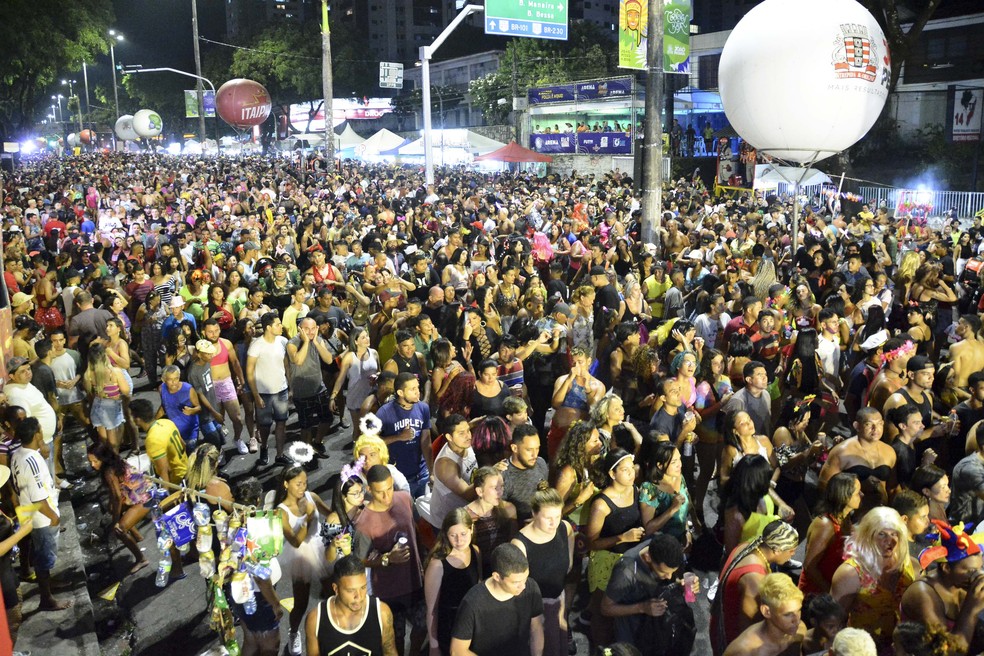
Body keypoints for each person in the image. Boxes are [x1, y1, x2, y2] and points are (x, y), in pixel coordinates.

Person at [354, 464, 426, 656]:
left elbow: (416, 529)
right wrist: (387, 558)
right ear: (369, 490)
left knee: (423, 627)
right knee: (395, 638)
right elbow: (359, 561)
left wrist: (424, 561)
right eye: (380, 492)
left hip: (415, 582)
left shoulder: (404, 498)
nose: (387, 497)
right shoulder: (363, 523)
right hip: (387, 592)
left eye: (389, 489)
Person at [830, 507, 914, 653]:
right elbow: (832, 623)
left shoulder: (909, 564)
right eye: (882, 534)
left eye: (895, 534)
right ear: (868, 535)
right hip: (861, 649)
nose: (890, 541)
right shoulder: (850, 573)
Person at [710, 520, 799, 655]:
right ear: (776, 550)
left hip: (720, 617)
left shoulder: (748, 545)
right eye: (791, 551)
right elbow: (748, 629)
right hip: (731, 636)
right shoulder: (755, 580)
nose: (792, 555)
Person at [584, 449, 644, 647]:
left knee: (624, 611)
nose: (631, 473)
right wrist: (622, 537)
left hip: (630, 559)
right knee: (603, 612)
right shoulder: (601, 504)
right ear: (612, 474)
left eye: (631, 469)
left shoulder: (635, 490)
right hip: (606, 560)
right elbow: (591, 542)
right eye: (625, 470)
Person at [10, 417, 71, 610]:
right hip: (42, 516)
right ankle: (47, 599)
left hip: (29, 513)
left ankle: (48, 586)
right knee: (44, 558)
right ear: (36, 434)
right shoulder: (31, 460)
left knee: (40, 553)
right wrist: (53, 516)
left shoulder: (19, 454)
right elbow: (38, 498)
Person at [602, 533, 696, 656]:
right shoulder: (625, 572)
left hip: (657, 629)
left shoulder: (664, 549)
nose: (669, 576)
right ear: (647, 557)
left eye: (671, 572)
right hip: (633, 634)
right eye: (663, 572)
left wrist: (681, 584)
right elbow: (605, 608)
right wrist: (642, 607)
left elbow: (672, 578)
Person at [900, 521, 984, 650]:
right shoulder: (922, 594)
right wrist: (971, 609)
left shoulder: (962, 584)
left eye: (980, 568)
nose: (977, 576)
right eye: (971, 571)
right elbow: (946, 651)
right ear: (946, 568)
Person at [275, 464, 332, 656]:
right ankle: (293, 633)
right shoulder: (281, 511)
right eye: (298, 484)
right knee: (301, 602)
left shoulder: (311, 497)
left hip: (321, 546)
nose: (303, 487)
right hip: (300, 554)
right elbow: (295, 541)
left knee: (332, 590)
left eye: (305, 483)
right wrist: (308, 518)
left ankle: (333, 628)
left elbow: (330, 513)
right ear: (286, 484)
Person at [450, 543, 545, 656]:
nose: (523, 586)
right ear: (497, 577)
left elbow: (536, 629)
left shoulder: (531, 588)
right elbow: (457, 650)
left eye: (525, 578)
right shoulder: (473, 603)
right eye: (516, 582)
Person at [511, 489, 575, 656]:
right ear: (534, 513)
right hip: (536, 610)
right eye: (548, 518)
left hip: (558, 600)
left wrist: (570, 557)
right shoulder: (520, 543)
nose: (554, 523)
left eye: (557, 516)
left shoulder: (563, 527)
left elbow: (570, 533)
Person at [305, 554, 399, 656]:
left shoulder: (382, 613)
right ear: (336, 589)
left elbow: (390, 652)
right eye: (351, 590)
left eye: (363, 588)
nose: (359, 596)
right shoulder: (315, 620)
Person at [86, 440, 152, 574]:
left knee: (120, 530)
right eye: (90, 462)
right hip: (138, 494)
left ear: (103, 459)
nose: (93, 465)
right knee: (112, 508)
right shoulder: (115, 463)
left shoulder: (109, 472)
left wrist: (115, 522)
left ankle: (141, 559)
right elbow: (114, 496)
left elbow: (116, 497)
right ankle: (137, 536)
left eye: (95, 461)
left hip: (144, 498)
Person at [423, 508, 480, 656]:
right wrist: (434, 646)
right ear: (446, 535)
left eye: (463, 534)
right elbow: (431, 610)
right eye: (453, 535)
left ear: (471, 529)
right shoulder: (437, 564)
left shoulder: (475, 551)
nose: (459, 540)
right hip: (448, 626)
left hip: (471, 624)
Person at [819, 408, 897, 516]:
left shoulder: (889, 451)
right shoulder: (841, 452)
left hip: (879, 512)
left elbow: (892, 487)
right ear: (857, 426)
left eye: (879, 424)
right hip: (851, 513)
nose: (876, 429)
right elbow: (824, 485)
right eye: (869, 424)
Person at [798, 473, 861, 596]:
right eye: (858, 493)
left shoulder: (845, 518)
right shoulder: (825, 525)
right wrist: (831, 593)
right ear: (845, 497)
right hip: (816, 595)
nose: (862, 495)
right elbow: (810, 567)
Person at [376, 373, 432, 499]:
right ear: (400, 392)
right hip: (399, 478)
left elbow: (426, 442)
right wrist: (399, 437)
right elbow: (370, 442)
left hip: (422, 473)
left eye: (418, 387)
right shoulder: (384, 412)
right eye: (413, 389)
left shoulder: (423, 408)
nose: (418, 392)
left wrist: (431, 470)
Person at [287, 317, 336, 459]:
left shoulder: (318, 340)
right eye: (306, 329)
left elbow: (328, 359)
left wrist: (315, 341)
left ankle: (317, 442)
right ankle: (306, 451)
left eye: (313, 328)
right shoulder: (292, 343)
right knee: (306, 426)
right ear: (300, 329)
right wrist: (307, 342)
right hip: (302, 393)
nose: (310, 331)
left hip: (319, 389)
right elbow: (298, 360)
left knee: (327, 418)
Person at [722, 573, 805, 656]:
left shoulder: (800, 631)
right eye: (787, 614)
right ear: (766, 611)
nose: (797, 620)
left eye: (799, 610)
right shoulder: (743, 651)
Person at [246, 312, 291, 466]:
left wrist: (290, 386)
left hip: (281, 390)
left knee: (281, 423)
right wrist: (256, 395)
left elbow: (286, 365)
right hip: (263, 393)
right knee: (265, 426)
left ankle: (279, 454)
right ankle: (264, 447)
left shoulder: (283, 341)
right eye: (278, 324)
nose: (281, 326)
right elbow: (249, 372)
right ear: (268, 327)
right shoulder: (256, 346)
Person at [201, 318, 251, 455]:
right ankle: (220, 449)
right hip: (211, 388)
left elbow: (235, 363)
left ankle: (238, 439)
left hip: (226, 383)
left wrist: (241, 381)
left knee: (237, 418)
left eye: (216, 330)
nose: (214, 334)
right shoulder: (200, 349)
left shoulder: (226, 343)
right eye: (210, 332)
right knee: (217, 422)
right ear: (204, 332)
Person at [426, 414, 477, 530]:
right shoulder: (446, 465)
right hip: (447, 522)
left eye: (468, 431)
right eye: (461, 433)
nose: (468, 436)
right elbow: (467, 494)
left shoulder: (463, 444)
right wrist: (489, 474)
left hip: (464, 513)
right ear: (449, 437)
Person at [131, 397, 188, 485]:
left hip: (176, 479)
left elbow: (163, 471)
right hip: (185, 468)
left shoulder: (152, 439)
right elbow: (183, 444)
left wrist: (166, 493)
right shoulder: (166, 422)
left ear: (138, 419)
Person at [501, 425, 550, 524]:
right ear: (514, 448)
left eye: (537, 448)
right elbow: (499, 515)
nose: (535, 455)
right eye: (529, 450)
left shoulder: (541, 463)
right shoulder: (503, 476)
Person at [721, 362, 772, 437]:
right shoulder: (738, 400)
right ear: (749, 379)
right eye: (760, 375)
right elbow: (731, 430)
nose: (765, 378)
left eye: (765, 374)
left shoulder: (766, 394)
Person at [158, 364, 202, 451]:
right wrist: (152, 423)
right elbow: (164, 406)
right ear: (163, 380)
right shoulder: (161, 389)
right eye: (170, 379)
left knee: (190, 458)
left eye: (176, 378)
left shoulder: (188, 389)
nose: (174, 382)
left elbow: (199, 408)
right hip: (174, 434)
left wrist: (192, 410)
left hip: (190, 434)